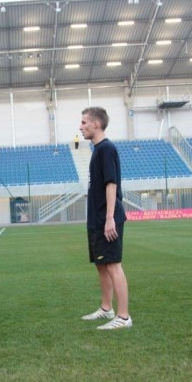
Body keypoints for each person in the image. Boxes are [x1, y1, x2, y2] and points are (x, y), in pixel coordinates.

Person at [79, 107, 131, 330]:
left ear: (96, 124)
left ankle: (123, 317)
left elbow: (111, 184)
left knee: (113, 265)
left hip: (107, 218)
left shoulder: (107, 149)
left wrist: (110, 218)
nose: (80, 127)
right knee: (102, 264)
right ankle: (106, 308)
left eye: (84, 122)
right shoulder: (97, 150)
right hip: (97, 218)